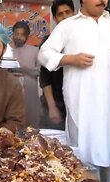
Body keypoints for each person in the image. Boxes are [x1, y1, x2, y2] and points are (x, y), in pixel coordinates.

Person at [37, 0, 110, 182]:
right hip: (82, 100)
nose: (103, 1)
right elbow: (45, 54)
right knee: (84, 148)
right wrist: (69, 58)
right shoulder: (68, 26)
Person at [38, 0, 75, 130]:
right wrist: (52, 107)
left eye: (68, 12)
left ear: (74, 13)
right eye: (60, 14)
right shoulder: (49, 43)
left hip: (76, 103)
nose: (65, 17)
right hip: (55, 102)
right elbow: (45, 79)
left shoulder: (81, 39)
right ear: (55, 18)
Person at [10, 21, 41, 128]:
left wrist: (25, 69)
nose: (19, 37)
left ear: (27, 36)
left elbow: (39, 71)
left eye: (22, 34)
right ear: (12, 34)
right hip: (11, 95)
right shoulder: (7, 51)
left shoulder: (35, 51)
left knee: (31, 126)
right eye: (16, 34)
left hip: (30, 95)